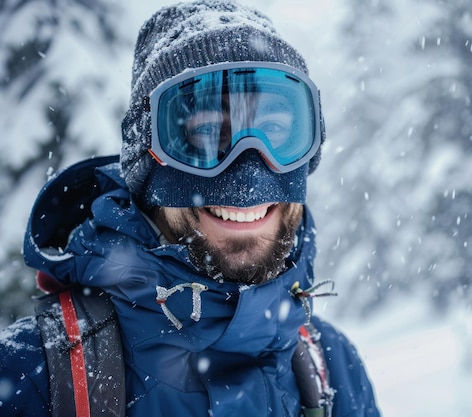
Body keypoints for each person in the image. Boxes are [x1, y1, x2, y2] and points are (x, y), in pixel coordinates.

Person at [0, 1, 380, 416]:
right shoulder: (31, 378)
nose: (248, 176)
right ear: (146, 161)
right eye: (204, 133)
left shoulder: (334, 370)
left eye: (274, 130)